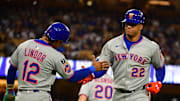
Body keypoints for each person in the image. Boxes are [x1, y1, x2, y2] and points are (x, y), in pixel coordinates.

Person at [3, 22, 110, 101]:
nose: (60, 45)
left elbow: (12, 69)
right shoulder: (55, 55)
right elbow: (72, 77)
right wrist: (92, 68)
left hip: (20, 96)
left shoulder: (24, 45)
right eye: (61, 42)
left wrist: (10, 90)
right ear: (58, 41)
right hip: (40, 96)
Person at [82, 9, 165, 101]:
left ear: (141, 26)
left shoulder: (151, 46)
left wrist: (159, 82)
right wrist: (91, 75)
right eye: (127, 24)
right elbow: (102, 68)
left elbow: (160, 66)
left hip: (140, 94)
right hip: (118, 94)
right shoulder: (111, 44)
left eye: (132, 24)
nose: (128, 27)